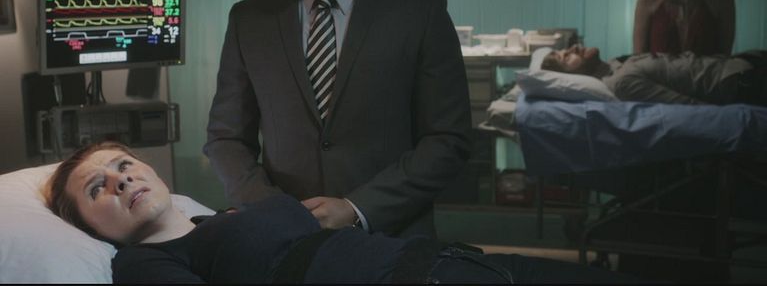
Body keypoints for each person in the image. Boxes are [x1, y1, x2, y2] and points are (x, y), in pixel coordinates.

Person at [204, 0, 472, 239]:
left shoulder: (419, 10)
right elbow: (226, 138)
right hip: (284, 243)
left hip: (390, 239)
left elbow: (448, 139)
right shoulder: (251, 18)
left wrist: (359, 209)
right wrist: (274, 212)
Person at [46, 141, 642, 284]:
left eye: (124, 164)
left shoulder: (214, 220)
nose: (121, 180)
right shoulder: (142, 265)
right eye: (98, 188)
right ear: (88, 226)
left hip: (447, 261)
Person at [541, 44, 767, 106]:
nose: (574, 47)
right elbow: (687, 107)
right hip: (743, 83)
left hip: (747, 62)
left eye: (566, 48)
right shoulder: (621, 82)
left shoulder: (616, 63)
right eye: (566, 57)